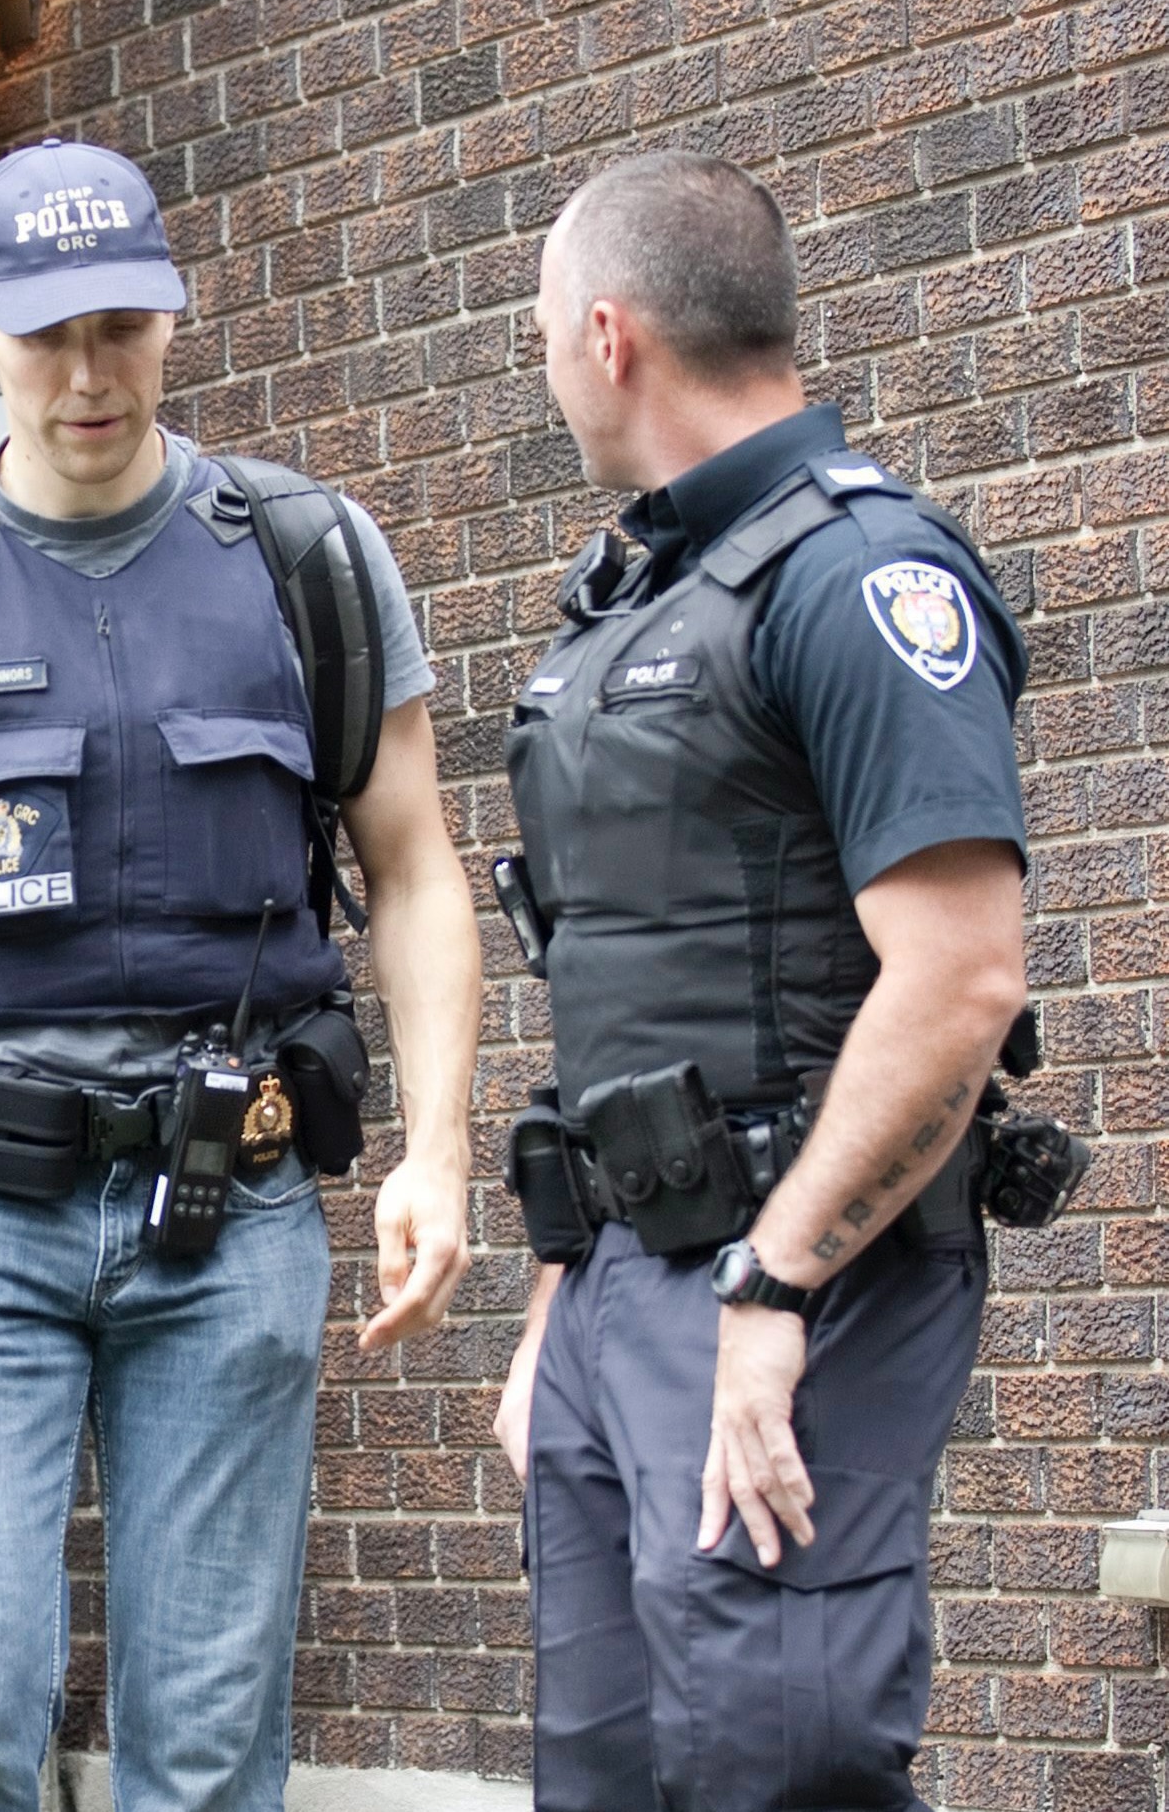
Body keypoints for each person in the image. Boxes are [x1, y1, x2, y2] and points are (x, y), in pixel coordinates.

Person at [0, 138, 483, 1811]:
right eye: (49, 334)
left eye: (123, 328)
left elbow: (416, 867)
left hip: (232, 1213)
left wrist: (440, 1148)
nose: (90, 375)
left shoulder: (304, 555)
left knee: (206, 1751)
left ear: (171, 315)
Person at [492, 151, 1036, 1810]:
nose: (545, 362)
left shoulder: (861, 577)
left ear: (609, 335)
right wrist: (561, 1302)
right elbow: (621, 978)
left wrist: (776, 1288)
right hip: (620, 1283)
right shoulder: (637, 600)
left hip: (798, 1269)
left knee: (768, 1750)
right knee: (609, 1765)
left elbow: (961, 976)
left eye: (543, 329)